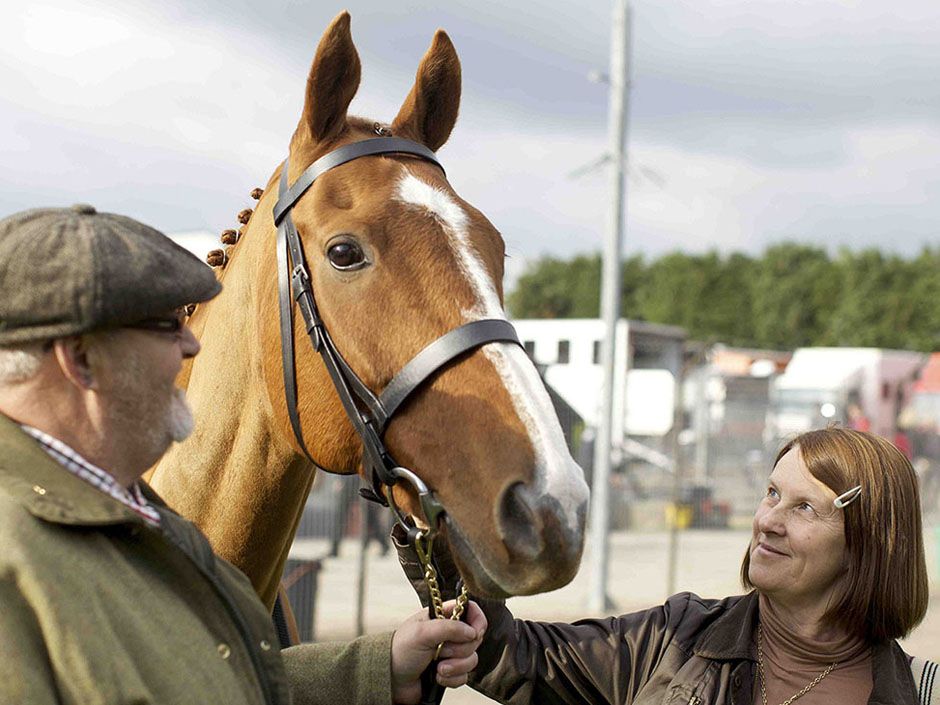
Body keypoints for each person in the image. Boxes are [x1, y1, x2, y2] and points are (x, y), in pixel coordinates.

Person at [0, 205, 485, 705]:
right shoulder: (14, 555)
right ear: (80, 358)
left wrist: (378, 670)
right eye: (167, 326)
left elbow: (189, 685)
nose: (192, 345)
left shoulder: (131, 511)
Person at [399, 427, 938, 704]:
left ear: (869, 543)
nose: (768, 521)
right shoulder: (676, 639)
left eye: (803, 508)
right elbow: (519, 658)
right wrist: (435, 532)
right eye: (771, 493)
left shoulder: (920, 692)